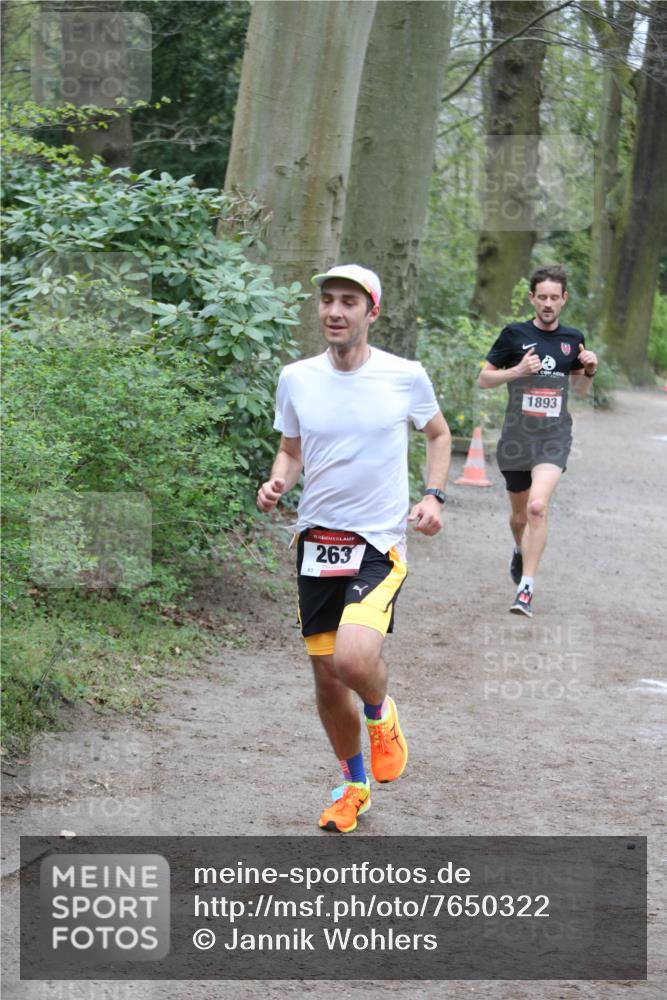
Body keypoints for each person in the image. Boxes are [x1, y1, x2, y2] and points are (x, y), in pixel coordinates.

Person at [257, 264, 451, 833]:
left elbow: (438, 434)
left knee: (353, 660)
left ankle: (380, 712)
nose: (335, 312)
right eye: (328, 301)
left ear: (372, 311)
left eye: (348, 302)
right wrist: (277, 481)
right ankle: (353, 784)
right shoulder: (296, 378)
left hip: (377, 542)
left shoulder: (403, 376)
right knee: (325, 677)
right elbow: (291, 449)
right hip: (316, 540)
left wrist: (434, 496)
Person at [477, 264, 597, 618]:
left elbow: (578, 389)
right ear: (532, 298)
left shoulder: (573, 339)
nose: (547, 303)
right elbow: (484, 379)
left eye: (553, 298)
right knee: (519, 517)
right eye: (541, 297)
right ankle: (520, 549)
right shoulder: (513, 335)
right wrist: (517, 371)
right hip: (516, 438)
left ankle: (525, 588)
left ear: (564, 300)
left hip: (553, 437)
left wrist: (589, 369)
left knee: (536, 508)